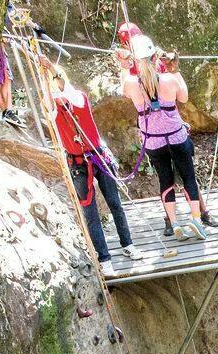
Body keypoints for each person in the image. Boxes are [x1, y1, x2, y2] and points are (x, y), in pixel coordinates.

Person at [116, 38, 217, 239]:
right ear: (155, 58)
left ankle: (174, 221)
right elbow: (184, 98)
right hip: (176, 136)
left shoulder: (130, 84)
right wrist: (174, 68)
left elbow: (124, 87)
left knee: (165, 180)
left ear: (136, 61)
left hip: (153, 140)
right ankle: (196, 220)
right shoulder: (169, 79)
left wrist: (125, 66)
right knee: (188, 177)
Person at [49, 63, 135, 264]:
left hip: (98, 157)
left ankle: (127, 244)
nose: (57, 92)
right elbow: (48, 102)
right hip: (79, 165)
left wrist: (53, 71)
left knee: (115, 202)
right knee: (90, 213)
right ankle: (104, 258)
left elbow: (68, 91)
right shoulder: (54, 111)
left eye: (58, 87)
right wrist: (48, 84)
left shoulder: (80, 99)